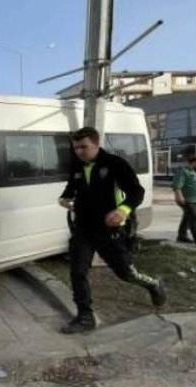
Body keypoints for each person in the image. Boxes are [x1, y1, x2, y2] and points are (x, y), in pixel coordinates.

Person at [58, 127, 166, 334]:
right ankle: (85, 316)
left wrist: (123, 210)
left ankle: (153, 285)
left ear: (96, 145)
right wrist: (64, 199)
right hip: (83, 229)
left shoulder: (115, 164)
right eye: (76, 148)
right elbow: (70, 189)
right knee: (78, 271)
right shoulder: (77, 166)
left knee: (125, 273)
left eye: (84, 147)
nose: (79, 151)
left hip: (108, 230)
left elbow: (137, 192)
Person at [173, 154, 196, 248]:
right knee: (194, 218)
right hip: (188, 199)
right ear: (194, 162)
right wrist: (178, 195)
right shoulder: (184, 171)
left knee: (187, 217)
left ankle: (182, 236)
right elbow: (177, 185)